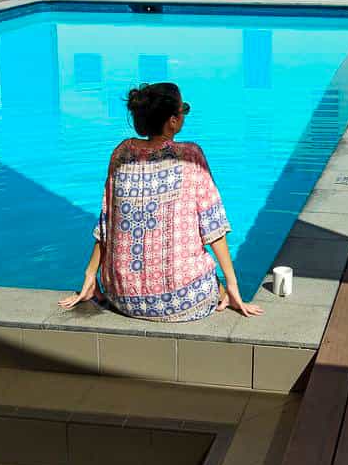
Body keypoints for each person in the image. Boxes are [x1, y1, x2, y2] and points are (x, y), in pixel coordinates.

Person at [59, 82, 262, 321]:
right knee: (209, 280)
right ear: (173, 121)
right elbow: (213, 225)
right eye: (182, 110)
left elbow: (107, 223)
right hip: (183, 299)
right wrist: (232, 284)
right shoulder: (190, 156)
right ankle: (221, 293)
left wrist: (90, 275)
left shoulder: (121, 154)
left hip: (121, 297)